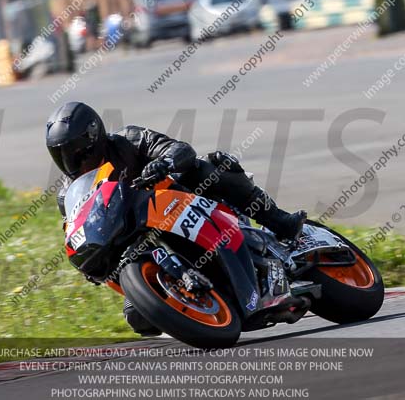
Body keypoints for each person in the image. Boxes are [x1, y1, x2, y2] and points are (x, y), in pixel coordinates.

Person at [46, 101, 307, 335]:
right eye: (62, 155)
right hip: (133, 243)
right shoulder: (68, 194)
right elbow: (75, 231)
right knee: (138, 317)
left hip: (178, 204)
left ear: (95, 137)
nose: (71, 161)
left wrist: (165, 163)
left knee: (211, 167)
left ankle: (278, 221)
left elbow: (181, 149)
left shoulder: (129, 140)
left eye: (77, 152)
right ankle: (201, 305)